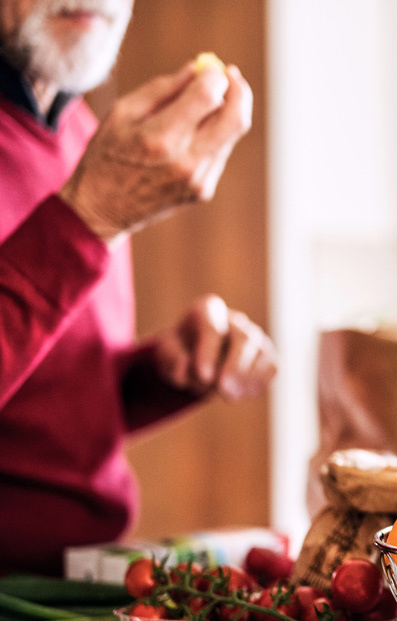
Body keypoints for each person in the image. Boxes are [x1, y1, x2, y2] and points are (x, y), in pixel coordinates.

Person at [0, 0, 276, 574]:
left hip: (73, 585)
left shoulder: (81, 135)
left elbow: (35, 410)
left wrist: (163, 372)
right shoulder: (100, 176)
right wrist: (89, 217)